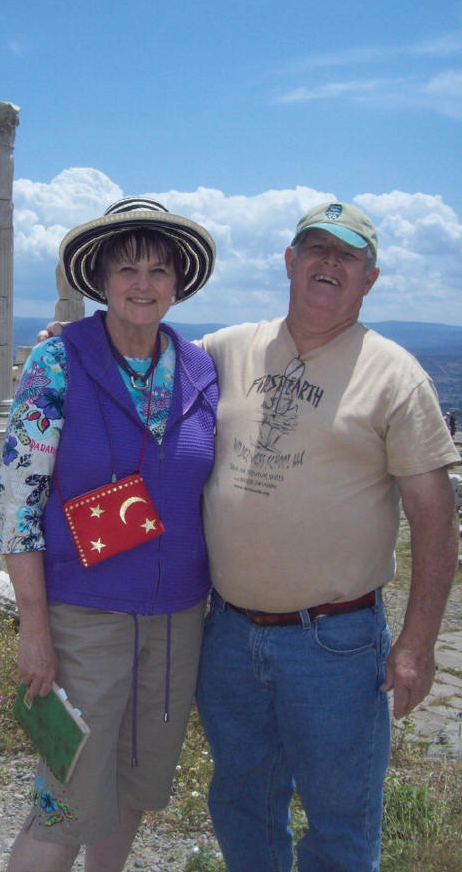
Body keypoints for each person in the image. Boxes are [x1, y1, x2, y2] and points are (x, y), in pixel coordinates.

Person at [195, 200, 460, 872]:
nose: (328, 263)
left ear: (370, 277)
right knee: (242, 803)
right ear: (289, 260)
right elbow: (141, 363)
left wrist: (416, 645)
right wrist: (77, 343)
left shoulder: (394, 375)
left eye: (347, 255)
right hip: (228, 633)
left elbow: (435, 519)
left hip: (334, 643)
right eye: (316, 248)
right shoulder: (226, 349)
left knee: (340, 825)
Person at [0, 197, 218, 872]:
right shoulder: (57, 363)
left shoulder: (202, 370)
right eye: (127, 269)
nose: (143, 284)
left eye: (158, 269)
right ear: (99, 278)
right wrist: (34, 627)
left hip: (176, 621)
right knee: (64, 801)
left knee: (132, 790)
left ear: (178, 282)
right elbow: (18, 506)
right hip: (83, 620)